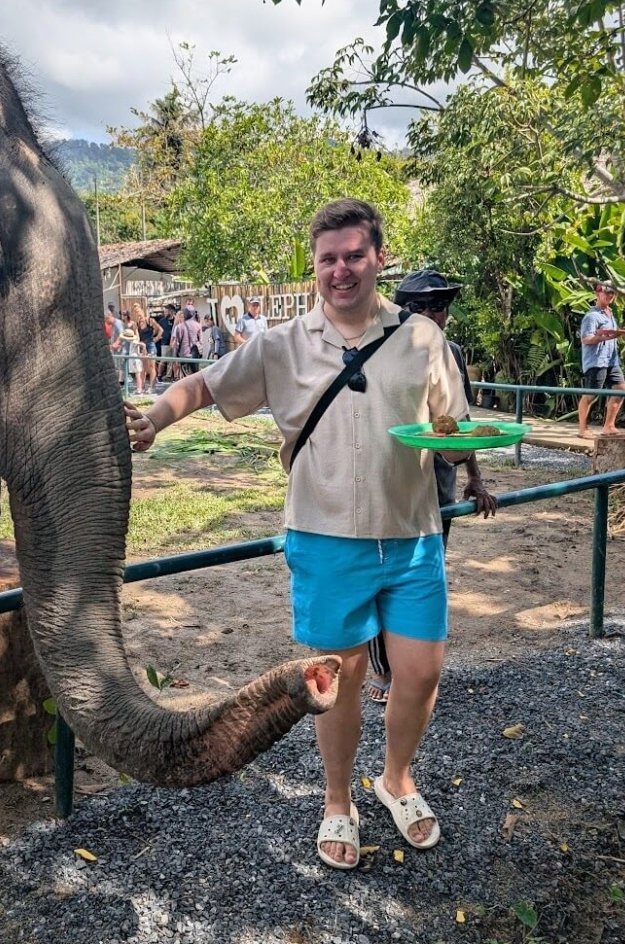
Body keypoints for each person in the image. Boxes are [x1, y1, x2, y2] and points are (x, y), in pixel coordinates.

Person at [125, 198, 471, 870]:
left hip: (412, 536)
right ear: (315, 265)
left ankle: (396, 779)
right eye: (328, 259)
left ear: (378, 259)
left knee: (421, 671)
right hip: (325, 536)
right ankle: (337, 800)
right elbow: (203, 385)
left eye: (354, 256)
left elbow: (448, 426)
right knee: (337, 681)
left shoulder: (422, 339)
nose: (341, 269)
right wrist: (154, 420)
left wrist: (466, 447)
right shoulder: (282, 344)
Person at [364, 270, 498, 705]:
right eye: (418, 307)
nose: (429, 314)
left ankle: (410, 666)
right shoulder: (377, 345)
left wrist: (475, 478)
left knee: (420, 574)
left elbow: (458, 425)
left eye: (438, 307)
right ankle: (382, 669)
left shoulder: (450, 353)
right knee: (378, 574)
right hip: (389, 478)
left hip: (438, 483)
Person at [578, 282, 625, 439]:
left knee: (621, 390)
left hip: (612, 361)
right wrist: (604, 337)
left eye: (612, 293)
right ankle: (582, 429)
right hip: (596, 361)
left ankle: (609, 426)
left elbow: (611, 336)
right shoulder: (592, 316)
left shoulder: (610, 313)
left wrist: (617, 335)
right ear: (597, 293)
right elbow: (586, 339)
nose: (609, 295)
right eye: (606, 292)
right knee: (591, 395)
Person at [131, 303, 163, 393]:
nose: (137, 314)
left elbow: (160, 330)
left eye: (138, 311)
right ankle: (142, 386)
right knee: (143, 368)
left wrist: (156, 338)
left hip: (151, 345)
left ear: (142, 311)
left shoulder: (149, 320)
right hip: (142, 346)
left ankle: (151, 387)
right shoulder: (136, 324)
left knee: (151, 366)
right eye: (135, 312)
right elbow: (136, 336)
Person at [171, 304, 202, 376]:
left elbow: (176, 343)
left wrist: (175, 357)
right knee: (195, 374)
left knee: (186, 375)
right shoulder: (198, 325)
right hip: (195, 354)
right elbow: (200, 341)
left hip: (183, 354)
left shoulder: (179, 327)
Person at [118, 326, 145, 394]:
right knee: (136, 375)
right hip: (133, 358)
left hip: (135, 359)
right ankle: (138, 388)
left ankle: (139, 389)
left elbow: (141, 344)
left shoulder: (134, 341)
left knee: (138, 374)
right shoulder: (131, 342)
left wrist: (143, 349)